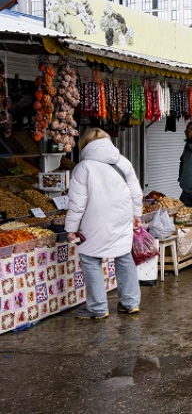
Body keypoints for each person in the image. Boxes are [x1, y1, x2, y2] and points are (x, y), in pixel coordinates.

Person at [65, 128, 144, 319]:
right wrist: (136, 215)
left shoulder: (83, 168)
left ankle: (98, 307)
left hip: (94, 221)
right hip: (122, 218)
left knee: (90, 258)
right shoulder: (123, 162)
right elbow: (136, 192)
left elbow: (77, 204)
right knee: (124, 256)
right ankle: (130, 303)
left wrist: (71, 229)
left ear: (85, 145)